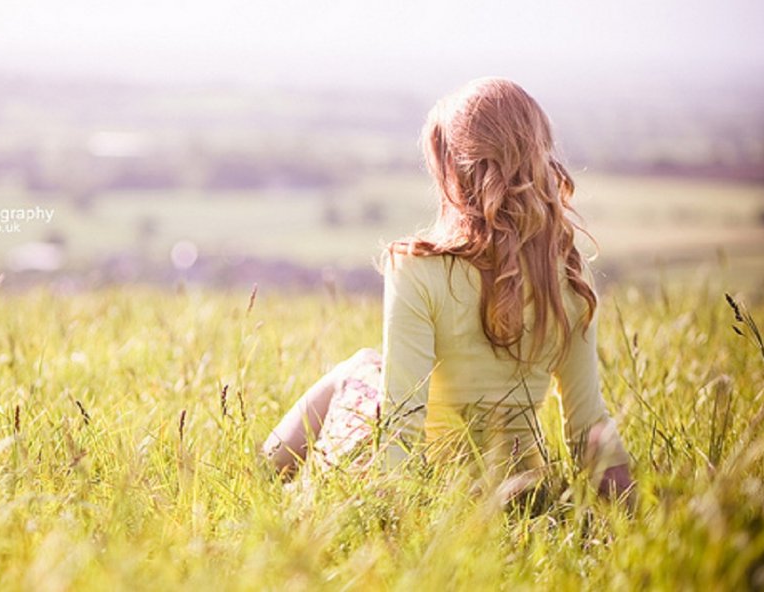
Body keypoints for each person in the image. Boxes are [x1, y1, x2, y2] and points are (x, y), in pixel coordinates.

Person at [262, 77, 634, 503]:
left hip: (434, 488)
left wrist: (386, 514)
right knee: (370, 363)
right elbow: (589, 427)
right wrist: (640, 514)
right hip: (522, 492)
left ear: (454, 170)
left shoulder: (418, 267)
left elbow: (402, 422)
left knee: (360, 367)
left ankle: (264, 471)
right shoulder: (566, 277)